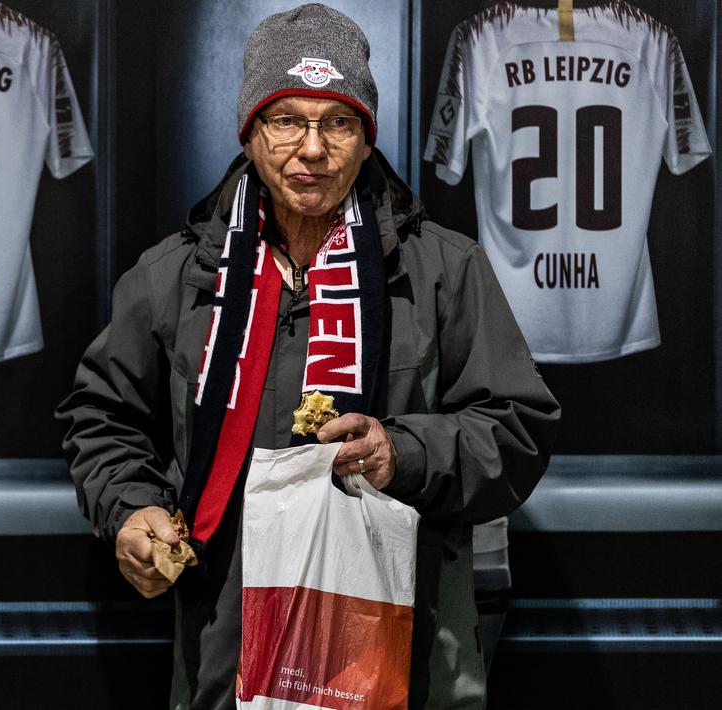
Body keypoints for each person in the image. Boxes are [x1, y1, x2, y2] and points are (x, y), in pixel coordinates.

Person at [56, 5, 560, 709]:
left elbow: (517, 427)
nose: (311, 148)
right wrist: (131, 506)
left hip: (396, 655)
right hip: (224, 658)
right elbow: (100, 416)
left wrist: (403, 453)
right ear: (250, 131)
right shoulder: (176, 276)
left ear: (364, 139)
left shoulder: (442, 270)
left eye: (337, 122)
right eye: (285, 119)